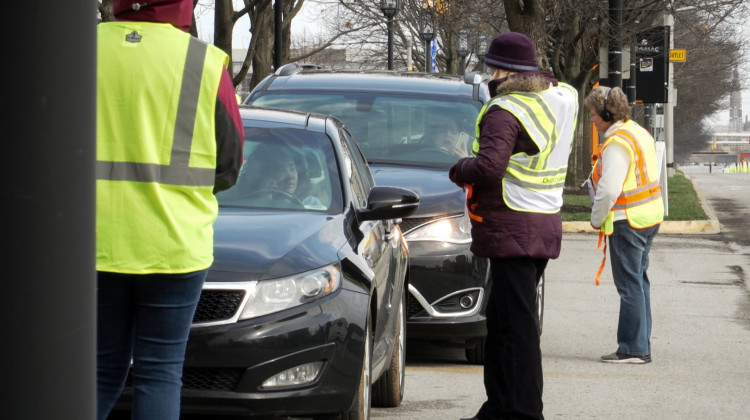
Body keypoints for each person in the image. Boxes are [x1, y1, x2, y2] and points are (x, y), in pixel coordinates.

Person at [96, 1, 244, 419]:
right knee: (159, 373)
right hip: (173, 243)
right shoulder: (204, 62)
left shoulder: (80, 50)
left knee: (96, 372)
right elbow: (229, 165)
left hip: (92, 241)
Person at [449, 32, 578, 420]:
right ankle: (499, 407)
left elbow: (489, 166)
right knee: (504, 321)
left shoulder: (506, 110)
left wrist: (458, 167)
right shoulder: (560, 97)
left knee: (515, 327)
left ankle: (520, 411)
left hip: (511, 223)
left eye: (492, 67)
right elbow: (562, 88)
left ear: (500, 70)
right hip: (541, 223)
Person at [584, 86, 664, 364]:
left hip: (628, 221)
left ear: (607, 114)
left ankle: (632, 349)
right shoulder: (638, 132)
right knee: (639, 283)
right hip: (647, 217)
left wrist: (596, 219)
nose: (592, 119)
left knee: (629, 286)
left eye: (594, 114)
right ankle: (640, 344)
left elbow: (608, 190)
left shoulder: (617, 142)